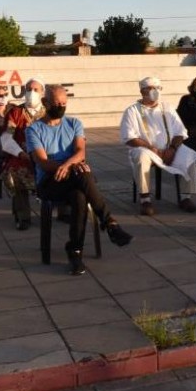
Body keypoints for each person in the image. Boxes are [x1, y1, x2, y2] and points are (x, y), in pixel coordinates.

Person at [26, 84, 132, 275]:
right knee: (82, 172)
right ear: (45, 103)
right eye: (57, 103)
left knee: (79, 196)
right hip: (50, 182)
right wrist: (69, 166)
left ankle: (75, 252)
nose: (61, 106)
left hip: (73, 177)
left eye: (64, 103)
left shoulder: (74, 124)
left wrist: (69, 165)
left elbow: (81, 151)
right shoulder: (34, 129)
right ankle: (109, 223)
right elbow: (43, 162)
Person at [120, 77, 196, 215]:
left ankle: (185, 197)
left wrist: (172, 149)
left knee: (190, 155)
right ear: (142, 91)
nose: (155, 91)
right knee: (141, 156)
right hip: (146, 150)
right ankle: (145, 199)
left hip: (170, 149)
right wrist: (152, 149)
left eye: (158, 88)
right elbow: (129, 137)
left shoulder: (167, 108)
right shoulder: (132, 111)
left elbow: (180, 131)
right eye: (151, 88)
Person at [1, 77, 45, 230]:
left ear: (43, 93)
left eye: (35, 90)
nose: (31, 93)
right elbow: (6, 139)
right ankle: (23, 216)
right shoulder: (15, 113)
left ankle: (64, 210)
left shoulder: (49, 111)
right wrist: (21, 153)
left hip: (46, 156)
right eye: (28, 89)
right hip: (22, 156)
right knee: (14, 174)